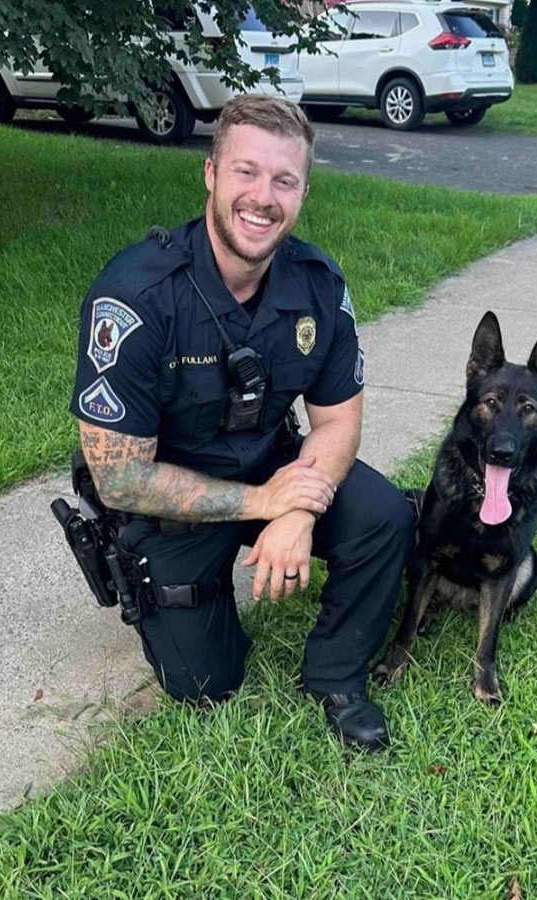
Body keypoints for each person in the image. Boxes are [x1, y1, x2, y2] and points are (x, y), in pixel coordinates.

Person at [70, 94, 415, 750]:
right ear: (211, 174)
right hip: (170, 505)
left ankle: (336, 675)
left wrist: (297, 511)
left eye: (284, 180)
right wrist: (264, 502)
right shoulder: (135, 297)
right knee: (206, 682)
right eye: (246, 172)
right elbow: (118, 478)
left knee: (384, 517)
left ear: (304, 191)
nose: (263, 197)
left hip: (267, 462)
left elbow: (339, 421)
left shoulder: (317, 284)